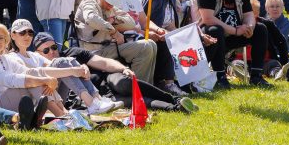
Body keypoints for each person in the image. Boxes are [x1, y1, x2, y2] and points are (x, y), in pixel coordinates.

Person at [33, 33, 195, 115]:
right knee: (133, 101)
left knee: (125, 82)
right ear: (38, 53)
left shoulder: (72, 52)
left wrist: (121, 68)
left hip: (105, 80)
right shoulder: (40, 66)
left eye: (54, 47)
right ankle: (175, 107)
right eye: (46, 50)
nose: (52, 52)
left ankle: (173, 98)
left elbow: (102, 62)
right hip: (98, 99)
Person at [4, 19, 119, 114]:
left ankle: (96, 99)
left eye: (30, 33)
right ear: (13, 35)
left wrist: (82, 66)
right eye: (22, 33)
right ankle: (91, 103)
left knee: (65, 61)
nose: (27, 36)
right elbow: (31, 75)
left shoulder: (33, 55)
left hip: (53, 95)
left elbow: (55, 65)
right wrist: (69, 72)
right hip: (33, 99)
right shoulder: (11, 57)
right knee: (61, 63)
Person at [196, 0, 272, 88]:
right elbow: (207, 19)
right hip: (208, 38)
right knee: (215, 30)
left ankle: (256, 76)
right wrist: (236, 31)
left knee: (260, 28)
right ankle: (220, 77)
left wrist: (249, 27)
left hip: (234, 33)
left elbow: (249, 14)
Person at [73, 0, 157, 83]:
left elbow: (131, 22)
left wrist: (114, 19)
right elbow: (91, 18)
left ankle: (146, 86)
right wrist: (114, 31)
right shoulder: (89, 2)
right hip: (93, 52)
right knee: (145, 47)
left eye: (113, 2)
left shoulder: (109, 6)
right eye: (109, 1)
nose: (110, 6)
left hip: (108, 48)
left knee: (151, 44)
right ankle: (137, 88)